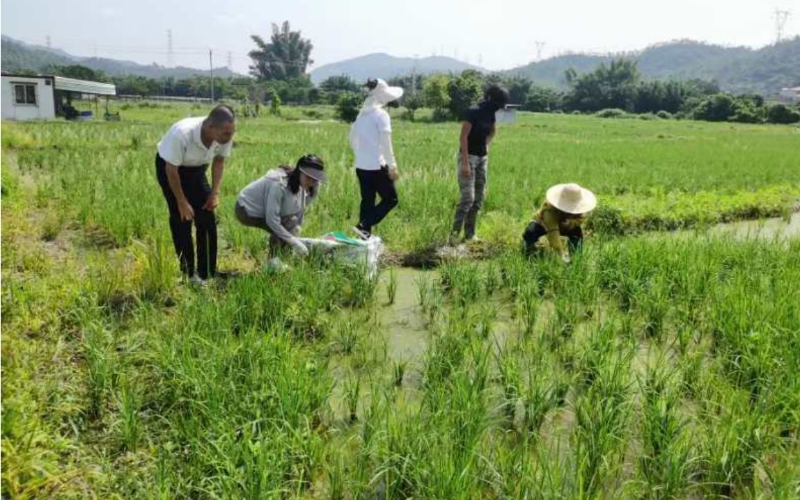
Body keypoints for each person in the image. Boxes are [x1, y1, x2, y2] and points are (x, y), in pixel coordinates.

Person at [155, 105, 236, 285]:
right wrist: (182, 202)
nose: (230, 137)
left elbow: (219, 162)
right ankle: (189, 273)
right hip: (171, 168)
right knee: (182, 218)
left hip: (197, 170)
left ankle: (207, 272)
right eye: (226, 133)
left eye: (232, 132)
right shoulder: (182, 134)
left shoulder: (224, 135)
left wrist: (214, 193)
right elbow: (171, 170)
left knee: (207, 217)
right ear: (210, 126)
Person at [235, 155, 327, 257]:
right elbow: (272, 220)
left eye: (314, 180)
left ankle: (283, 255)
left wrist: (313, 194)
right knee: (287, 224)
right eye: (308, 177)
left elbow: (298, 209)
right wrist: (294, 242)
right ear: (299, 172)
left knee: (291, 224)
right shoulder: (279, 184)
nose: (310, 183)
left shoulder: (299, 184)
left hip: (263, 209)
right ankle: (274, 260)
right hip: (245, 208)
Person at [452, 84, 510, 242]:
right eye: (498, 103)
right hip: (468, 157)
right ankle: (454, 235)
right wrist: (465, 163)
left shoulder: (491, 113)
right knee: (467, 198)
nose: (498, 107)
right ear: (490, 98)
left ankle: (470, 234)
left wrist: (486, 145)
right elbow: (463, 137)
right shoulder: (474, 111)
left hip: (482, 158)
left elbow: (492, 130)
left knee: (478, 199)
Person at [349, 78, 403, 240]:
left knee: (367, 202)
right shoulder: (381, 115)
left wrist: (361, 154)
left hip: (361, 166)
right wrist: (392, 167)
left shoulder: (361, 115)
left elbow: (352, 139)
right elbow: (386, 144)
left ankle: (363, 238)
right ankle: (363, 226)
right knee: (391, 199)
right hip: (377, 167)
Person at [522, 183, 597, 263]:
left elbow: (580, 219)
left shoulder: (579, 210)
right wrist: (561, 256)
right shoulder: (549, 211)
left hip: (564, 223)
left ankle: (576, 257)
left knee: (576, 231)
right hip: (543, 224)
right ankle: (530, 254)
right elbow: (553, 235)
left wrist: (569, 223)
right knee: (530, 232)